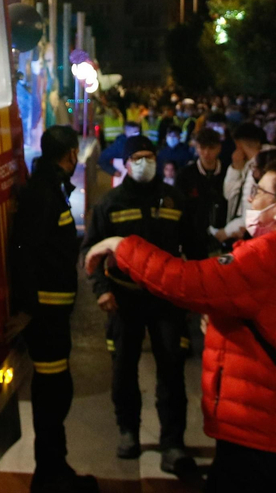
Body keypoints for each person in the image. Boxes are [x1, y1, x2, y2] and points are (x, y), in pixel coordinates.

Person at [85, 156, 276, 490]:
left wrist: (121, 246)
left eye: (259, 192)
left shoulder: (267, 257)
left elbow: (185, 280)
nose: (251, 200)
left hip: (261, 435)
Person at [81, 137, 193, 474]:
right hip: (124, 298)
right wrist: (102, 290)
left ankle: (173, 442)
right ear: (127, 164)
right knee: (123, 368)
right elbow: (92, 251)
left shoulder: (175, 200)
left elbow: (195, 247)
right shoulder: (110, 204)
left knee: (171, 370)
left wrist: (194, 293)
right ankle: (128, 431)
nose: (145, 163)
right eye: (138, 158)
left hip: (167, 298)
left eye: (149, 157)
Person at [10, 125, 97, 493]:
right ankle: (50, 476)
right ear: (72, 154)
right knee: (52, 395)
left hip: (53, 313)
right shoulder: (44, 193)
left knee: (56, 392)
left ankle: (54, 470)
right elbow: (25, 251)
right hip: (45, 316)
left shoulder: (51, 187)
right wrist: (29, 307)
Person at [177, 123, 228, 257]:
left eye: (211, 148)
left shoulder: (228, 172)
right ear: (196, 148)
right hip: (193, 241)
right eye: (202, 148)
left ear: (219, 148)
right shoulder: (185, 175)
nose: (206, 153)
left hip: (224, 238)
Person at [221, 122, 265, 240]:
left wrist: (227, 231)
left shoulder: (257, 169)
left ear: (238, 144)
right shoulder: (248, 166)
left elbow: (231, 195)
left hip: (249, 232)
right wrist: (236, 168)